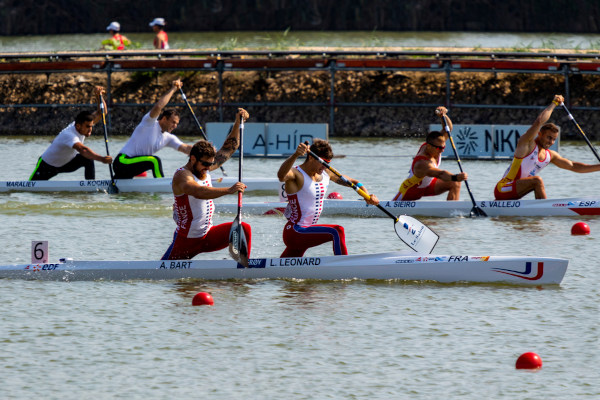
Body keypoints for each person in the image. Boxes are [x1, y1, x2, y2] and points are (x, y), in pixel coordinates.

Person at [161, 109, 251, 260]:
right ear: (193, 159)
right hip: (187, 241)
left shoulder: (204, 166)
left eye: (210, 164)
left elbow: (229, 148)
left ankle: (242, 267)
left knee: (243, 228)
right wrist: (228, 190)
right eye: (205, 164)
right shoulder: (182, 176)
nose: (209, 168)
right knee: (163, 273)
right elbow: (199, 192)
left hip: (207, 236)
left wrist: (238, 122)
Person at [277, 140, 379, 258]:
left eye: (328, 163)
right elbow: (281, 176)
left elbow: (354, 182)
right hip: (295, 232)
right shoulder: (296, 174)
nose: (324, 166)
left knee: (285, 268)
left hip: (306, 232)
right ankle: (344, 268)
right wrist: (295, 155)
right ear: (311, 157)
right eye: (323, 162)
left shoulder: (326, 173)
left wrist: (367, 196)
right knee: (337, 231)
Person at [494, 94, 600, 200]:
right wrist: (554, 104)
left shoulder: (550, 155)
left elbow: (573, 166)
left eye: (554, 139)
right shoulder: (527, 144)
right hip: (503, 188)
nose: (551, 142)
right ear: (540, 134)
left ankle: (540, 212)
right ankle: (545, 211)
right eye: (549, 137)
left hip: (515, 190)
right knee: (537, 181)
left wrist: (598, 167)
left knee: (536, 182)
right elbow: (539, 122)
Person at [29, 86, 113, 181]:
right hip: (47, 166)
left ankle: (90, 186)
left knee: (88, 159)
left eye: (91, 126)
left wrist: (99, 96)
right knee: (30, 188)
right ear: (78, 126)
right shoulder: (69, 135)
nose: (90, 130)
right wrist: (102, 159)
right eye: (88, 127)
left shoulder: (82, 125)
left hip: (66, 163)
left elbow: (102, 113)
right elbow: (83, 149)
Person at [113, 79, 191, 179]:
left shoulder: (168, 138)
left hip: (131, 168)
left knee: (127, 193)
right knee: (154, 161)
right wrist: (173, 89)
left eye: (177, 123)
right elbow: (159, 106)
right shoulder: (149, 123)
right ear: (164, 118)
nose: (175, 126)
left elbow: (186, 148)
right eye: (173, 122)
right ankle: (163, 185)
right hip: (122, 161)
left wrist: (209, 153)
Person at [392, 107, 467, 201]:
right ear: (428, 146)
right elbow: (441, 174)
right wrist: (456, 177)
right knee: (454, 179)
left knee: (455, 183)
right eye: (439, 148)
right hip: (410, 191)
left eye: (443, 147)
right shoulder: (422, 163)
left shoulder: (436, 144)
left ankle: (453, 212)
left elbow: (448, 128)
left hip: (428, 186)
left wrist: (443, 116)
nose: (442, 150)